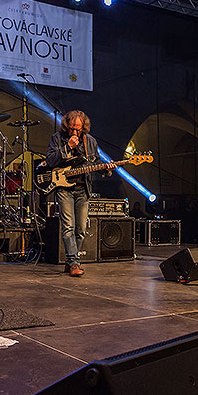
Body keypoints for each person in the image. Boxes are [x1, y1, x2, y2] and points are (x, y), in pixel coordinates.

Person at [45, 110, 113, 277]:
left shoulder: (90, 142)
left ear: (84, 128)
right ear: (67, 126)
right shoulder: (57, 138)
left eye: (78, 129)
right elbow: (50, 160)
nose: (75, 132)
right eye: (72, 128)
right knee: (68, 227)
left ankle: (70, 262)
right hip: (64, 188)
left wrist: (107, 170)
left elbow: (96, 163)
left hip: (83, 189)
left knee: (81, 229)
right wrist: (68, 147)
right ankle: (75, 262)